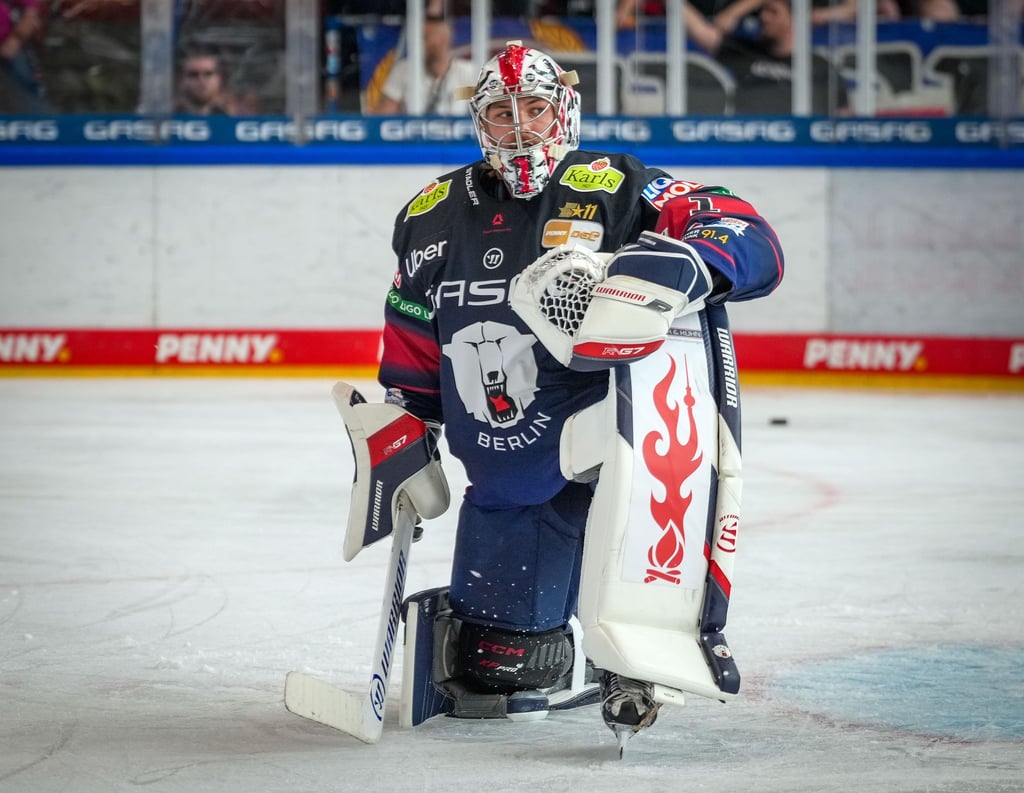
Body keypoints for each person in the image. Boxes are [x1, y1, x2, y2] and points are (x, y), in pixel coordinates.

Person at [375, 42, 783, 739]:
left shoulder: (616, 185)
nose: (521, 127)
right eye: (503, 113)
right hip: (508, 466)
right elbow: (412, 325)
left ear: (565, 110)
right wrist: (407, 419)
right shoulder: (431, 212)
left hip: (615, 439)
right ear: (482, 123)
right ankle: (539, 645)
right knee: (503, 662)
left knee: (635, 536)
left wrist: (693, 257)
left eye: (535, 108)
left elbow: (751, 235)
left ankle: (644, 638)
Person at [684, 0, 850, 115]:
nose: (764, 17)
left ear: (794, 18)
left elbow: (843, 116)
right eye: (763, 11)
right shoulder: (747, 52)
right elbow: (700, 31)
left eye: (773, 12)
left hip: (804, 152)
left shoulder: (819, 66)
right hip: (752, 150)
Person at [371, 13, 478, 115]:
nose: (418, 44)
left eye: (424, 37)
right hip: (414, 132)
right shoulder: (404, 70)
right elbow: (383, 116)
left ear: (443, 39)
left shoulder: (468, 73)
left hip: (457, 133)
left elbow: (484, 112)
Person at [0, 0, 49, 112]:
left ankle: (38, 118)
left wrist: (16, 39)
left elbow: (31, 12)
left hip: (8, 43)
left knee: (25, 82)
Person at [173, 48, 233, 115]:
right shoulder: (168, 118)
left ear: (219, 78)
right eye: (193, 75)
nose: (201, 80)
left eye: (208, 74)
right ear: (181, 79)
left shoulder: (230, 118)